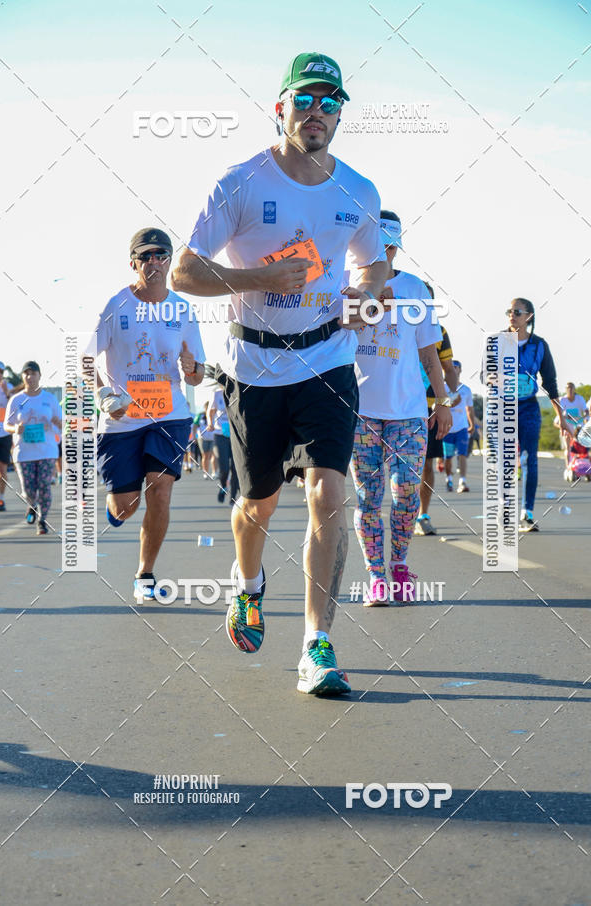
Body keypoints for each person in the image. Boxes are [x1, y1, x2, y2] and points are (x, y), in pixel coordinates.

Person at [172, 51, 388, 695]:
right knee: (255, 504)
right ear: (280, 106)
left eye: (330, 101)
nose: (317, 112)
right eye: (305, 100)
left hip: (327, 361)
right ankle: (248, 585)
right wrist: (260, 277)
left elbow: (372, 268)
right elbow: (184, 273)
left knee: (328, 494)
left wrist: (365, 300)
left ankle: (316, 643)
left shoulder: (359, 190)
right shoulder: (240, 183)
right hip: (252, 367)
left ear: (340, 113)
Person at [90, 228, 205, 602]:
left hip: (170, 414)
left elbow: (198, 372)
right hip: (122, 419)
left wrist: (192, 368)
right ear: (133, 263)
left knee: (160, 489)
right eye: (146, 256)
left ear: (170, 261)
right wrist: (103, 394)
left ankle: (146, 572)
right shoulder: (116, 306)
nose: (154, 262)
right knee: (126, 508)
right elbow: (86, 357)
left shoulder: (183, 310)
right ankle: (119, 507)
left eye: (161, 255)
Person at [351, 211, 452, 606]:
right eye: (376, 245)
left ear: (394, 248)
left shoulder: (415, 288)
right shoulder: (345, 285)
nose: (383, 253)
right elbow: (328, 336)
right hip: (361, 410)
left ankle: (399, 566)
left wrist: (442, 401)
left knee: (406, 490)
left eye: (388, 247)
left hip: (408, 410)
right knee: (368, 498)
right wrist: (368, 304)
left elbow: (430, 353)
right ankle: (376, 576)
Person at [504, 298, 571, 531]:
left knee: (528, 459)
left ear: (528, 316)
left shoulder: (539, 345)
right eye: (509, 312)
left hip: (529, 407)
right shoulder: (498, 342)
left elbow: (551, 384)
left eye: (517, 312)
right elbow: (485, 376)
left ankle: (527, 513)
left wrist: (561, 418)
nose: (512, 315)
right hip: (503, 408)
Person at [414, 289, 459, 535]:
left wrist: (452, 385)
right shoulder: (397, 324)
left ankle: (423, 514)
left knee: (427, 465)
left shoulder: (440, 332)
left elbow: (448, 368)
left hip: (430, 407)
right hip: (401, 406)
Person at [3, 361, 61, 534]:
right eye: (26, 373)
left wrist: (56, 422)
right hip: (24, 452)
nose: (30, 377)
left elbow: (61, 423)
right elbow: (6, 424)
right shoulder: (16, 400)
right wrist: (15, 429)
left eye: (33, 373)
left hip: (47, 450)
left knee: (44, 485)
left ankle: (42, 520)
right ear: (23, 377)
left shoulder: (49, 399)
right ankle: (31, 505)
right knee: (28, 488)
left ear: (39, 376)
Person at [442, 360, 475, 493]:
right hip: (447, 428)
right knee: (448, 458)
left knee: (462, 454)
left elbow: (469, 409)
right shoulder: (442, 388)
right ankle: (449, 478)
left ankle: (462, 481)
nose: (454, 370)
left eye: (456, 367)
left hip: (462, 427)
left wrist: (472, 424)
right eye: (452, 367)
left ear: (460, 370)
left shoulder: (466, 390)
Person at [207, 387, 239, 504]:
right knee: (224, 468)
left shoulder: (239, 390)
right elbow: (210, 411)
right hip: (220, 434)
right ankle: (223, 487)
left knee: (236, 469)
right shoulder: (216, 394)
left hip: (236, 435)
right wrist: (210, 423)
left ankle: (233, 497)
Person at [0, 361, 14, 512]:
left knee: (2, 470)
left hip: (4, 434)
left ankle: (1, 498)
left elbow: (16, 406)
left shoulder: (9, 388)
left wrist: (6, 393)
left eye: (1, 371)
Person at [555, 382, 587, 470]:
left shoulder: (580, 399)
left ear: (574, 389)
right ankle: (568, 467)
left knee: (582, 447)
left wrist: (583, 416)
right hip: (567, 427)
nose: (570, 389)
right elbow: (556, 421)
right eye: (568, 388)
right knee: (568, 447)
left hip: (578, 427)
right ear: (566, 390)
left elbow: (586, 411)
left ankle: (582, 466)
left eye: (571, 388)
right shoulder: (562, 400)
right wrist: (563, 425)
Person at [194, 401, 215, 479]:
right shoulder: (200, 415)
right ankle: (205, 473)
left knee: (214, 455)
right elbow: (195, 425)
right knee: (205, 456)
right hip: (203, 438)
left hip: (213, 438)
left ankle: (214, 472)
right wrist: (194, 436)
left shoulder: (215, 414)